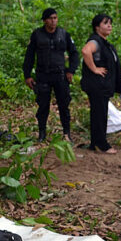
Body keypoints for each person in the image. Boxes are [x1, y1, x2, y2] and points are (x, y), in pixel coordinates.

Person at [22, 8, 80, 142]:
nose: (53, 21)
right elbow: (29, 56)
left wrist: (71, 70)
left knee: (64, 105)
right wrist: (27, 75)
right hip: (43, 76)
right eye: (50, 18)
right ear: (44, 20)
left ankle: (67, 133)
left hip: (60, 75)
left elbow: (74, 53)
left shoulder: (64, 34)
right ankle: (42, 134)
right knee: (43, 106)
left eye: (55, 18)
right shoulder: (37, 35)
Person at [81, 14, 121, 154]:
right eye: (105, 23)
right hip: (97, 84)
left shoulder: (104, 42)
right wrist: (94, 69)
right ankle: (101, 144)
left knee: (100, 112)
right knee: (99, 113)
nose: (109, 25)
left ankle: (95, 143)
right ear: (97, 27)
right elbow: (86, 51)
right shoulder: (95, 41)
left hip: (103, 85)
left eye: (110, 23)